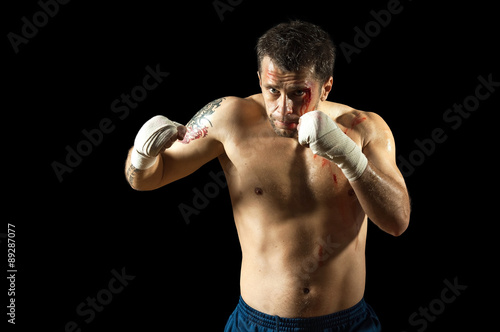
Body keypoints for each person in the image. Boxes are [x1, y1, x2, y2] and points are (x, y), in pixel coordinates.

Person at [124, 20, 410, 332]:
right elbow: (149, 177)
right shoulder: (230, 120)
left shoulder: (362, 128)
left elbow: (397, 222)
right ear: (260, 79)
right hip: (256, 323)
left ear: (326, 87)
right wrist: (141, 155)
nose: (283, 108)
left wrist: (349, 157)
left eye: (299, 92)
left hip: (347, 323)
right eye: (273, 90)